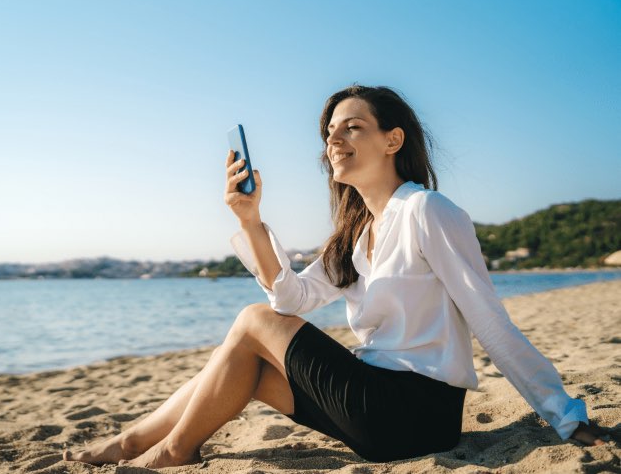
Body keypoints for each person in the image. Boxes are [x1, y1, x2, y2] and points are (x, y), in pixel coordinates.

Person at [63, 84, 607, 468]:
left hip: (415, 411)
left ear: (393, 141)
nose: (334, 141)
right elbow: (290, 299)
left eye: (352, 127)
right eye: (329, 133)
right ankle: (132, 441)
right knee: (242, 364)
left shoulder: (427, 211)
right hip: (371, 408)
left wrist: (565, 417)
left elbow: (490, 320)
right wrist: (250, 222)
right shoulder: (354, 233)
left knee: (253, 322)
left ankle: (174, 451)